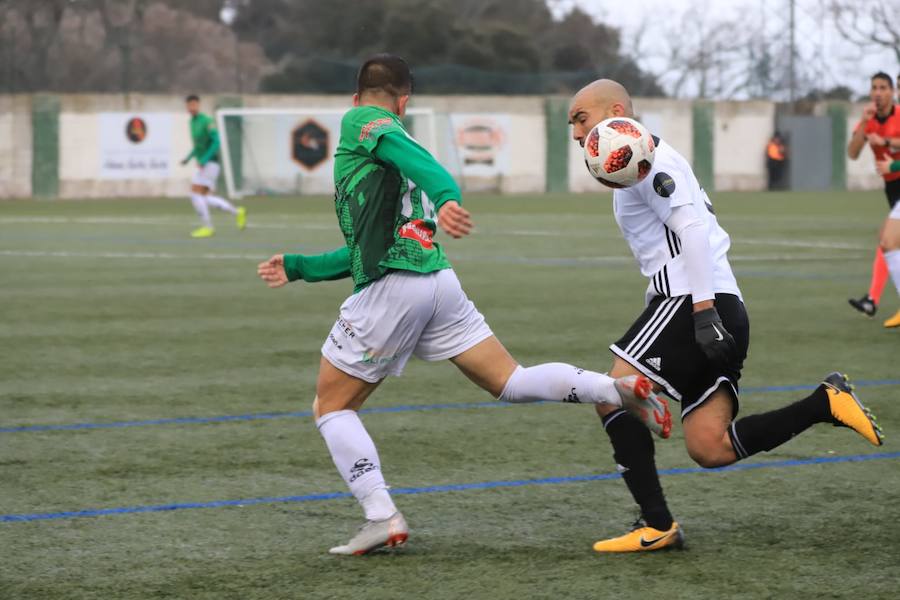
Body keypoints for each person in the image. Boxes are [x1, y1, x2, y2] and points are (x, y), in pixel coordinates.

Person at [255, 54, 671, 556]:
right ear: (407, 101)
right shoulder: (391, 148)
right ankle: (619, 388)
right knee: (511, 380)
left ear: (363, 98)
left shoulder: (362, 121)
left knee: (331, 407)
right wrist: (300, 265)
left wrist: (448, 195)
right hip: (436, 280)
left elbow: (425, 171)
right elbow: (367, 247)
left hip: (395, 288)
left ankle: (381, 516)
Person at [567, 79, 884, 553]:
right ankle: (825, 402)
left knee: (613, 392)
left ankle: (657, 524)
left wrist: (700, 313)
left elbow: (691, 231)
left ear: (617, 112)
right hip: (724, 306)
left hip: (693, 302)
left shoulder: (645, 158)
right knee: (709, 446)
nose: (575, 132)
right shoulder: (637, 159)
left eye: (580, 118)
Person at [846, 73, 900, 320]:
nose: (878, 92)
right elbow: (853, 152)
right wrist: (863, 126)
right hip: (892, 189)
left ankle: (872, 299)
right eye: (874, 88)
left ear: (892, 92)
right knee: (888, 242)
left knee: (888, 240)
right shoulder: (869, 120)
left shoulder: (898, 115)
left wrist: (890, 147)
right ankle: (872, 300)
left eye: (883, 87)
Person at [181, 94, 246, 238]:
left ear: (198, 105)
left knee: (195, 194)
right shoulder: (192, 122)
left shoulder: (207, 121)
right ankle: (237, 212)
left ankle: (208, 227)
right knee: (203, 197)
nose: (191, 107)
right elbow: (198, 146)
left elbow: (216, 142)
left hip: (211, 163)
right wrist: (188, 158)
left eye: (193, 104)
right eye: (189, 105)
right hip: (204, 164)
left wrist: (204, 159)